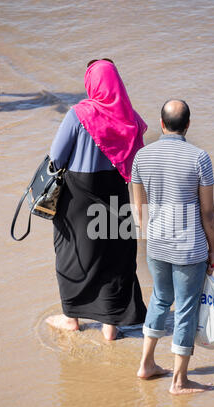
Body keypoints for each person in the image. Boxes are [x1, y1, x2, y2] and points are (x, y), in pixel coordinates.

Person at [46, 59, 148, 340]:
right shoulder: (132, 118)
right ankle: (110, 328)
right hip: (115, 192)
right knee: (116, 258)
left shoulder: (79, 113)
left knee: (72, 254)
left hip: (77, 196)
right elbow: (137, 163)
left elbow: (56, 156)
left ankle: (72, 320)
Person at [131, 99, 214, 394]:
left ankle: (147, 364)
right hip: (189, 249)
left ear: (161, 122)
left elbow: (138, 209)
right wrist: (213, 250)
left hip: (156, 244)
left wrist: (151, 237)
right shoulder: (199, 158)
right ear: (188, 124)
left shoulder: (142, 157)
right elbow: (207, 212)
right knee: (186, 309)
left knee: (159, 298)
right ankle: (179, 382)